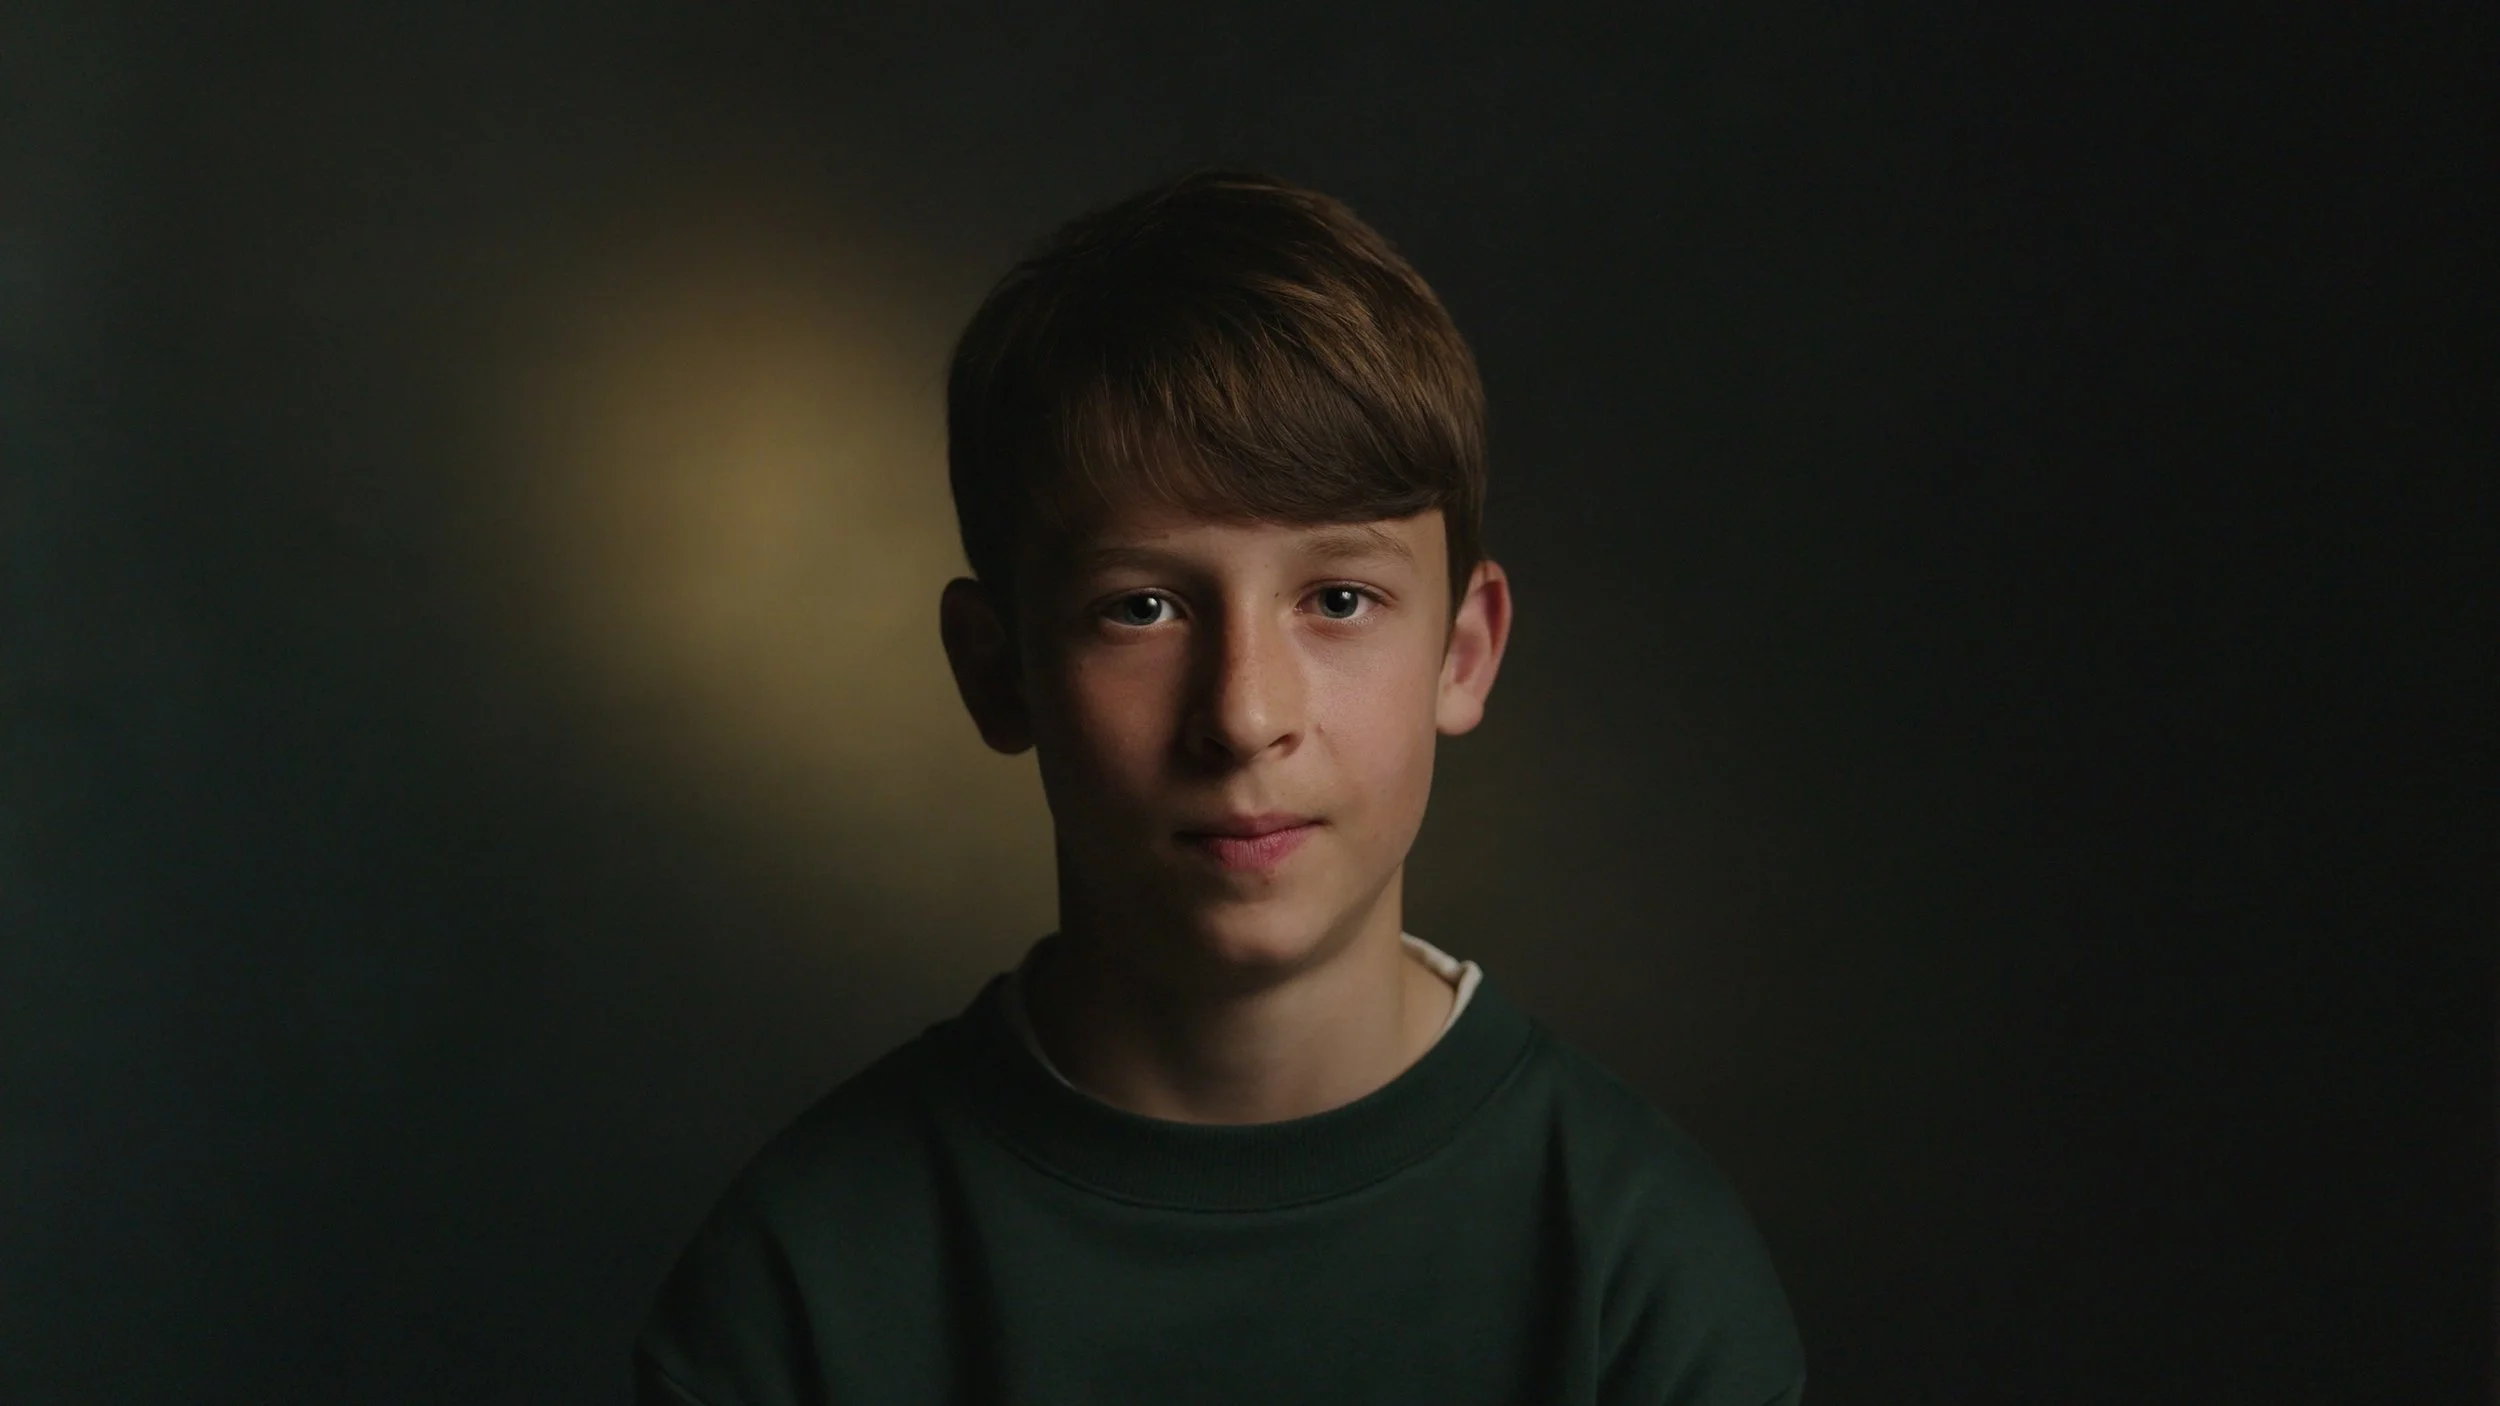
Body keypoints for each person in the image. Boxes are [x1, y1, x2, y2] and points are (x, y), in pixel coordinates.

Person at [631, 168, 1806, 1406]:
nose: (1243, 714)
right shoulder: (803, 1286)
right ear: (999, 672)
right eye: (1140, 607)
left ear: (1461, 655)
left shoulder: (1635, 1270)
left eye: (1337, 600)